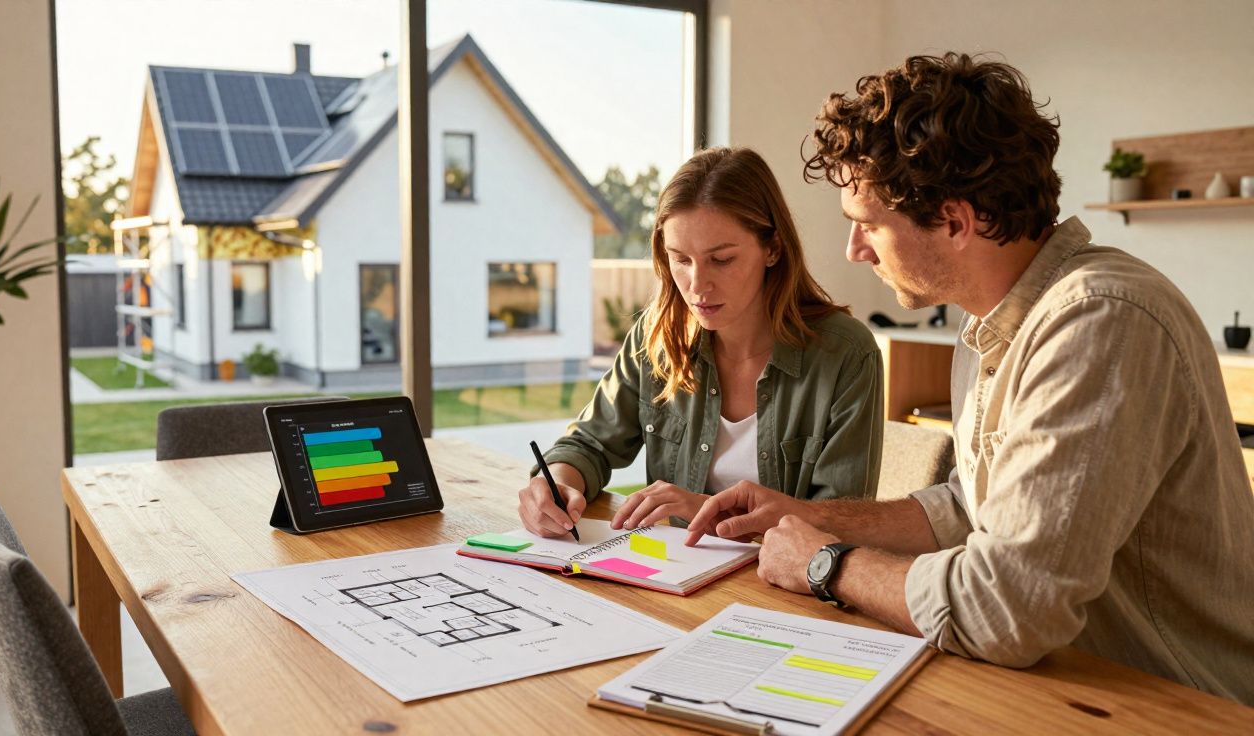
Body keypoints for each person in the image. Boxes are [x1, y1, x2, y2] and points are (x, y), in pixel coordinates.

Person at [687, 54, 1254, 704]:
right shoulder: (990, 320)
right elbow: (967, 509)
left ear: (956, 221)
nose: (855, 250)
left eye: (868, 224)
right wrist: (807, 515)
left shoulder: (1099, 321)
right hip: (1058, 689)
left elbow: (1009, 607)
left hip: (1179, 707)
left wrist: (826, 563)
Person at [517, 146, 884, 539]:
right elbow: (589, 443)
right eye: (680, 259)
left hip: (782, 591)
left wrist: (707, 514)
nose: (697, 285)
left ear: (773, 248)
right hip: (676, 582)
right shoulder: (657, 336)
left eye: (721, 260)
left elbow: (842, 526)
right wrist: (557, 483)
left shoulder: (846, 355)